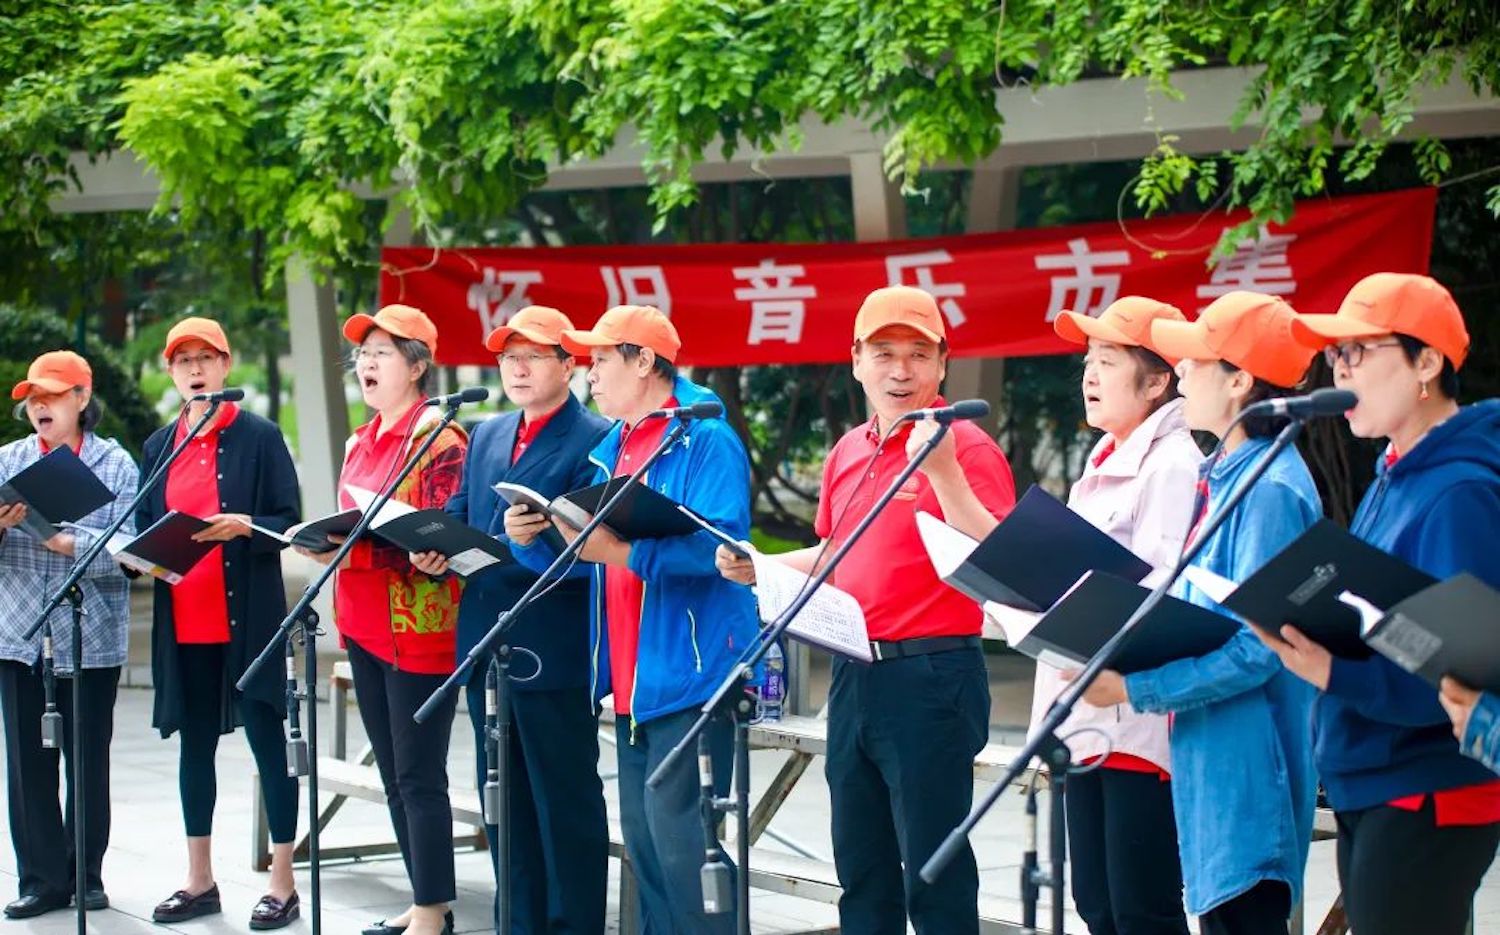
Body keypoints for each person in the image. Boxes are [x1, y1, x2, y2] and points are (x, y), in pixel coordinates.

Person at [716, 286, 1015, 934]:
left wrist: (945, 475)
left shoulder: (966, 447)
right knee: (863, 872)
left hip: (933, 676)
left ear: (942, 364)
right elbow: (835, 550)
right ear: (856, 360)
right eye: (884, 353)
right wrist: (759, 565)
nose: (900, 370)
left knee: (934, 879)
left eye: (917, 354)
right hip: (855, 672)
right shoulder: (849, 451)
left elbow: (1003, 561)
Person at [505, 304, 758, 934]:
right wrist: (529, 540)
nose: (589, 374)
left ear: (644, 362)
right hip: (629, 681)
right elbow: (587, 562)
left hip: (693, 678)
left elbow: (722, 549)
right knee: (648, 855)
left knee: (687, 854)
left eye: (599, 360)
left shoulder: (705, 438)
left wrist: (624, 551)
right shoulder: (614, 444)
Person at [1075, 291, 1322, 935]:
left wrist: (1134, 687)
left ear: (1240, 379)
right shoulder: (1229, 477)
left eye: (1195, 361)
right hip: (1212, 772)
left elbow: (1259, 648)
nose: (1180, 375)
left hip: (1247, 780)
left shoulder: (1267, 491)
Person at [1262, 273, 1500, 935]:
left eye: (1359, 352)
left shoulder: (1459, 493)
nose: (1341, 370)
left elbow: (1465, 670)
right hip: (1373, 776)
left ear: (1426, 361)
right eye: (1337, 356)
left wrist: (1335, 672)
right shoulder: (1393, 474)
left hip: (1427, 786)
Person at [410, 305, 610, 933]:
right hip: (485, 640)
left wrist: (540, 539)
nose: (518, 369)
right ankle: (516, 921)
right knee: (502, 798)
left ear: (569, 366)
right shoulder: (490, 433)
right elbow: (465, 510)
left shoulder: (596, 438)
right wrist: (435, 548)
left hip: (554, 644)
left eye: (534, 356)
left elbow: (601, 560)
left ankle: (574, 922)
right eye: (508, 357)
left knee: (564, 797)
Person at [1031, 297, 1199, 935]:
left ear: (1158, 382)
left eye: (1108, 361)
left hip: (1137, 721)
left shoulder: (1173, 464)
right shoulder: (1102, 458)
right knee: (1096, 904)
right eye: (1087, 362)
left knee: (1142, 908)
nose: (1090, 376)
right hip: (1086, 716)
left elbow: (1158, 588)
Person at [298, 304, 467, 935]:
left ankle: (432, 910)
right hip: (364, 624)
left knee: (418, 772)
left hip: (420, 626)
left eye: (382, 354)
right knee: (396, 774)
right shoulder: (359, 440)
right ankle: (429, 901)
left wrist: (357, 545)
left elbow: (441, 531)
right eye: (361, 355)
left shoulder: (440, 437)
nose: (366, 365)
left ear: (418, 365)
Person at [137, 318, 303, 929]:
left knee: (269, 747)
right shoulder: (159, 446)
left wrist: (246, 525)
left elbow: (288, 520)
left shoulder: (260, 437)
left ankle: (282, 884)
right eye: (184, 361)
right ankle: (199, 880)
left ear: (226, 366)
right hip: (185, 620)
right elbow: (145, 526)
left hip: (250, 621)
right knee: (195, 747)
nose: (196, 369)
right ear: (173, 372)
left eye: (207, 358)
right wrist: (142, 557)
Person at [0, 350, 137, 919]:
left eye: (53, 395)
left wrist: (70, 544)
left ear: (82, 399)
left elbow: (132, 550)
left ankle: (86, 876)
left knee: (87, 759)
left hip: (90, 631)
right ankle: (40, 879)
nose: (40, 406)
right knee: (27, 762)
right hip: (18, 632)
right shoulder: (7, 461)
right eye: (33, 398)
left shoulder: (117, 464)